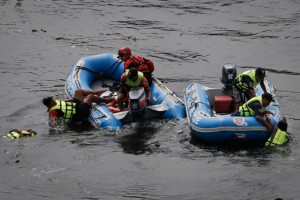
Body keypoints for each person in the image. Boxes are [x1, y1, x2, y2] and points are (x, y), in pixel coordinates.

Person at [43, 88, 114, 126]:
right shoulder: (52, 111)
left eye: (52, 99)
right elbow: (54, 123)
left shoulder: (56, 102)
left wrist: (78, 97)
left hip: (76, 106)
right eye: (52, 100)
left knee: (78, 91)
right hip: (78, 113)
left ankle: (97, 93)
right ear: (49, 104)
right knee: (90, 97)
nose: (53, 100)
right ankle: (107, 100)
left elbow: (65, 101)